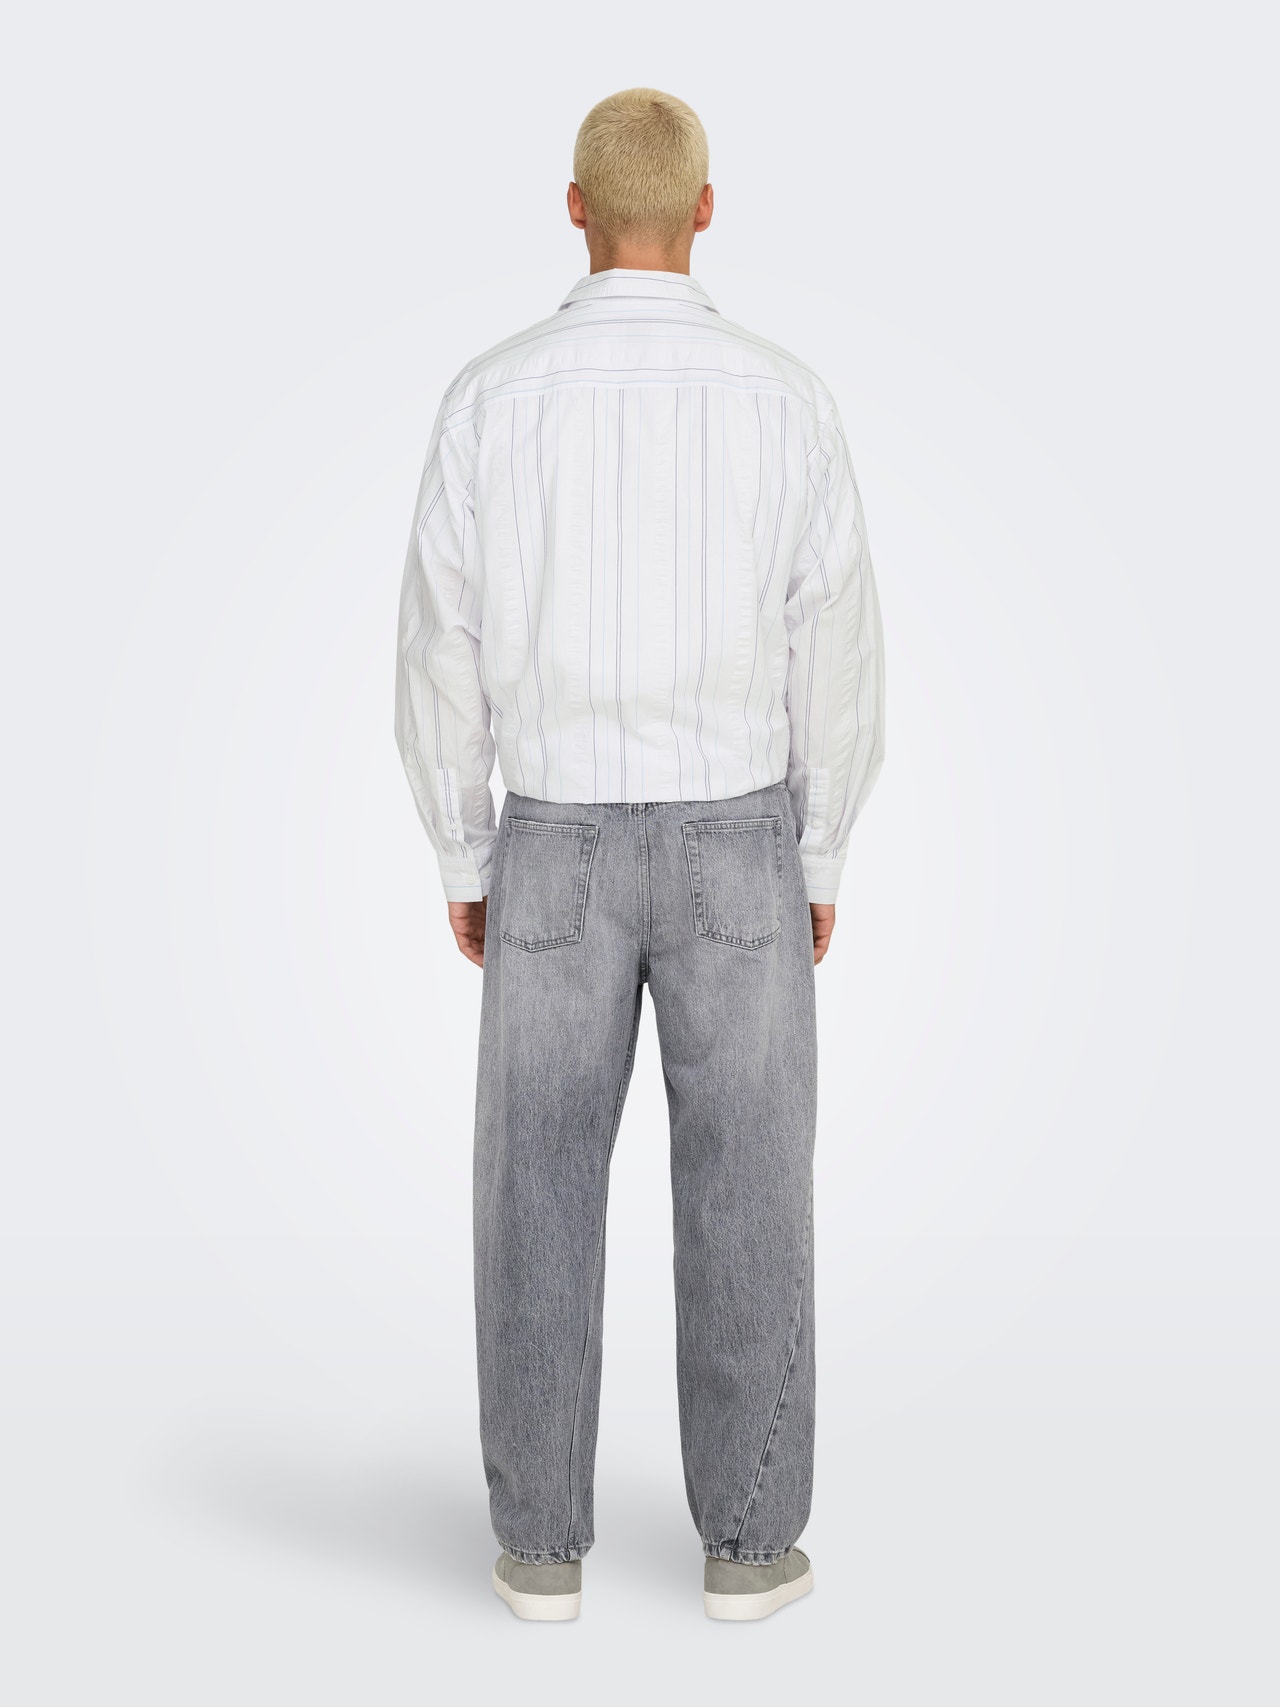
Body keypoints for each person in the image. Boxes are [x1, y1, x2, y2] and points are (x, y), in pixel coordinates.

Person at [394, 86, 886, 1623]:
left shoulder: (492, 397)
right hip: (739, 839)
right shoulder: (785, 397)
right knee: (753, 1191)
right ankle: (748, 1546)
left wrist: (466, 850)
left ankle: (540, 1549)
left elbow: (440, 643)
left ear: (574, 209)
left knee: (532, 1191)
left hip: (553, 841)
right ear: (707, 210)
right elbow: (837, 644)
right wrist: (818, 853)